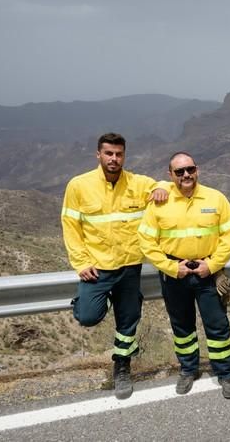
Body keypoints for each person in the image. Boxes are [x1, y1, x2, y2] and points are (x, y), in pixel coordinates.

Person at [61, 132, 167, 399]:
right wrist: (81, 262)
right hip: (97, 267)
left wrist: (160, 187)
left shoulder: (138, 183)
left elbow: (163, 185)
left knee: (128, 320)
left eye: (119, 154)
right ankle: (92, 301)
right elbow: (70, 227)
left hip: (130, 266)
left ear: (124, 155)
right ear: (98, 154)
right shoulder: (79, 185)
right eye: (108, 153)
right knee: (87, 315)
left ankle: (122, 366)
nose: (114, 158)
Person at [138, 152, 230, 398]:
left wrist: (213, 265)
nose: (186, 175)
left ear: (197, 169)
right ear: (170, 175)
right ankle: (188, 370)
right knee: (182, 327)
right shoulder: (159, 203)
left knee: (217, 326)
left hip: (208, 273)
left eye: (190, 169)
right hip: (175, 275)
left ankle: (225, 373)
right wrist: (171, 267)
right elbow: (146, 240)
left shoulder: (215, 198)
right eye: (180, 171)